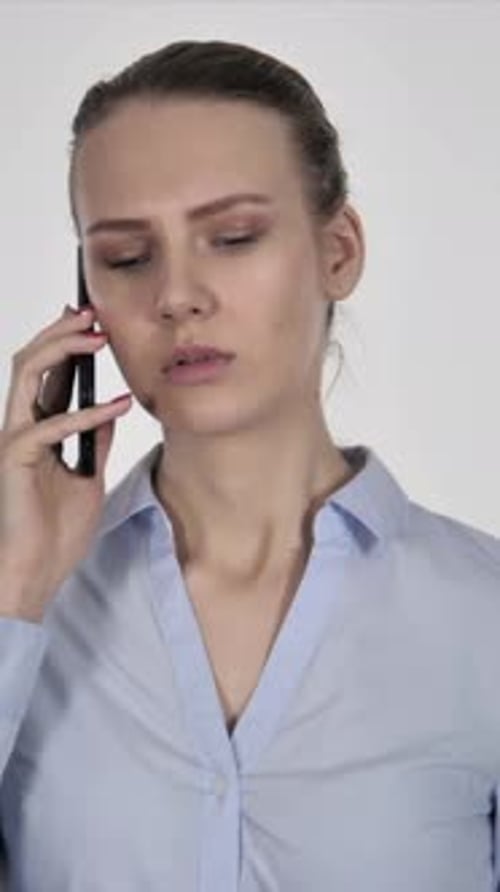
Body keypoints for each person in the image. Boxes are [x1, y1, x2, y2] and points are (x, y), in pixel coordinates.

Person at [0, 38, 499, 892]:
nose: (176, 295)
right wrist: (13, 596)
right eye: (125, 256)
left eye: (231, 237)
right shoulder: (22, 609)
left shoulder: (483, 618)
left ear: (338, 252)